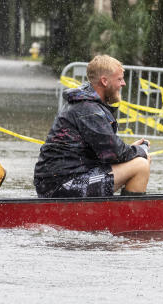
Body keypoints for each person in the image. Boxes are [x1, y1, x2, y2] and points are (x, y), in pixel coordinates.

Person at [33, 54, 150, 198]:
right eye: (119, 79)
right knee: (141, 165)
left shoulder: (87, 103)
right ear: (104, 81)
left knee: (139, 159)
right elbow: (113, 152)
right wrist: (139, 150)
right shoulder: (88, 109)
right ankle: (129, 217)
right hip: (62, 184)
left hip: (62, 179)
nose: (123, 83)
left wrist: (133, 151)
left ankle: (117, 213)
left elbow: (109, 152)